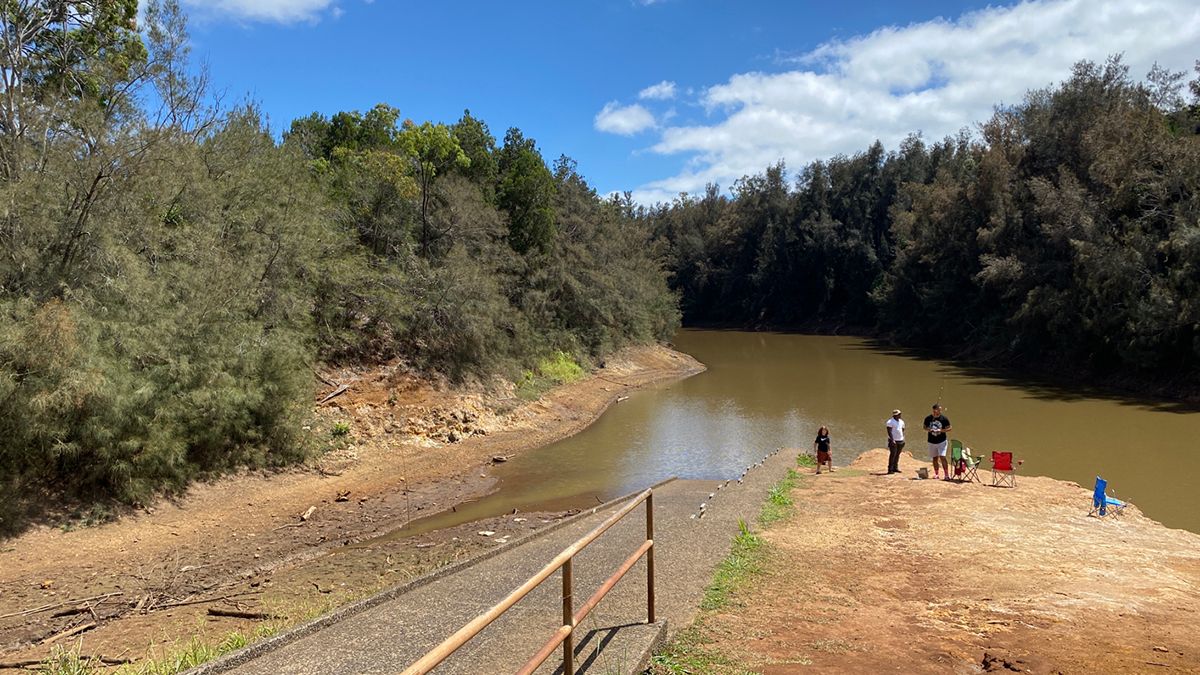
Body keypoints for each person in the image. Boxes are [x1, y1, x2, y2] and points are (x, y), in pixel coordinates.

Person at [923, 403, 952, 480]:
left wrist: (941, 430)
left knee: (942, 457)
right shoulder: (928, 418)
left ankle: (946, 475)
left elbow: (949, 428)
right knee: (935, 458)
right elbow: (924, 427)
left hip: (942, 441)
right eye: (939, 409)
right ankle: (936, 474)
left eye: (940, 409)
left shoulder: (944, 419)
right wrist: (929, 430)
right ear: (934, 410)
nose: (940, 411)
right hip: (931, 441)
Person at [885, 409, 905, 474]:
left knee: (897, 455)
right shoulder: (890, 422)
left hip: (900, 440)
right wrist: (892, 439)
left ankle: (895, 468)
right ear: (895, 415)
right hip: (893, 440)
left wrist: (902, 437)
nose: (900, 415)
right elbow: (889, 431)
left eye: (900, 414)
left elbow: (902, 429)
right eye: (898, 414)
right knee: (893, 454)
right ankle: (890, 469)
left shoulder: (901, 421)